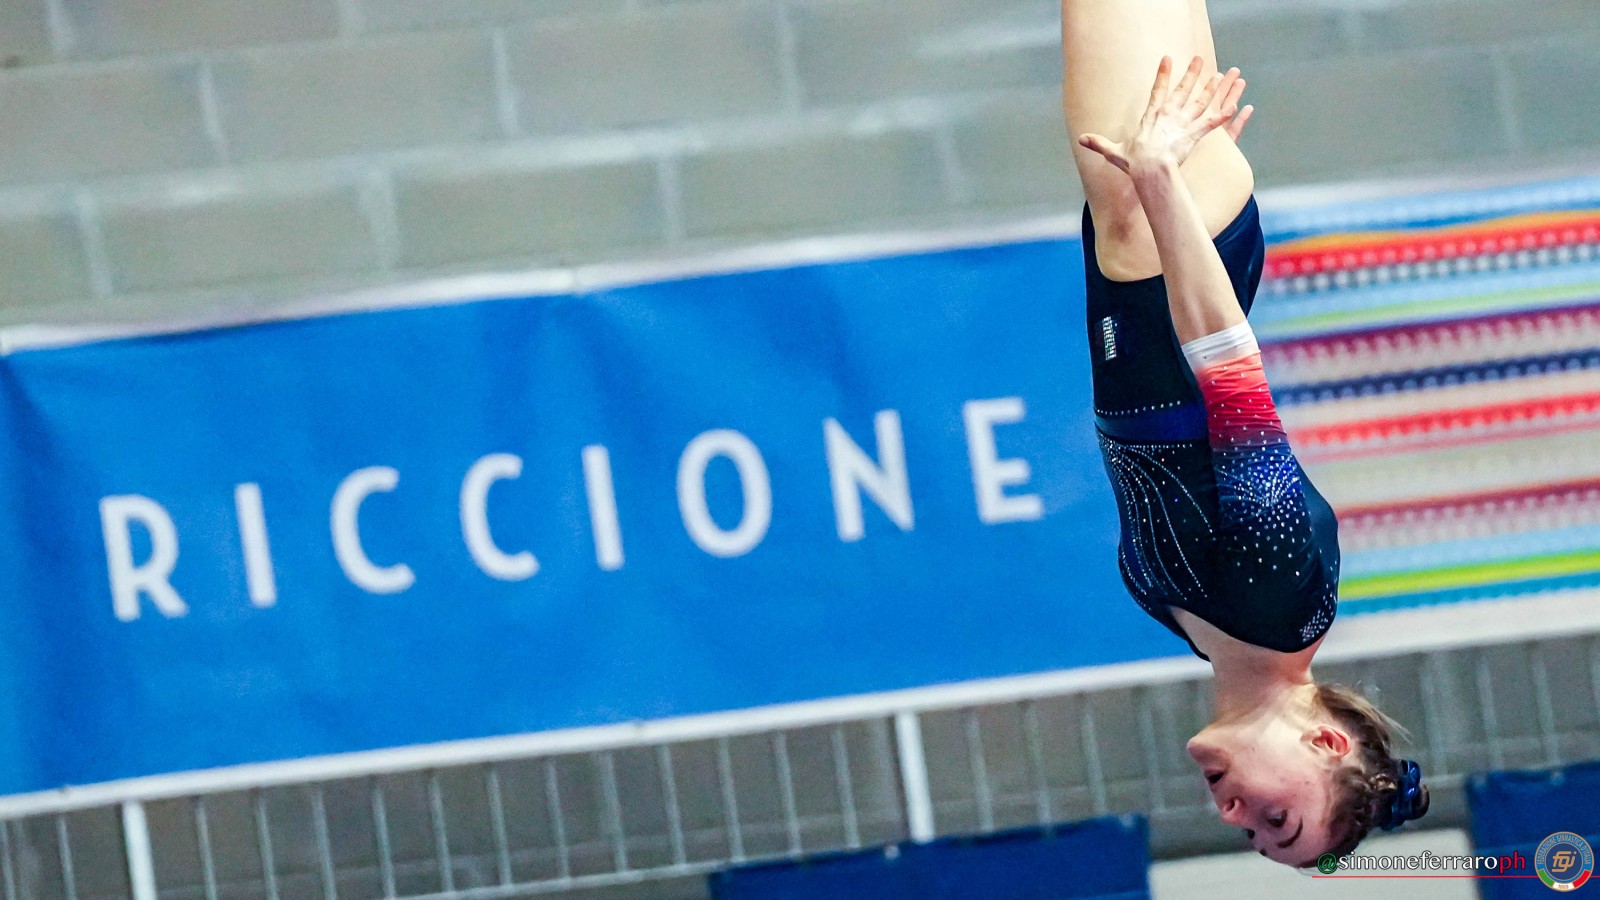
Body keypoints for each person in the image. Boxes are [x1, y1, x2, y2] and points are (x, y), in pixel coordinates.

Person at [1060, 1, 1429, 866]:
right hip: (1165, 234)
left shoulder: (1209, 636)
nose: (1235, 816)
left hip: (1147, 247)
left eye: (1255, 838)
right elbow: (1233, 380)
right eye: (1278, 820)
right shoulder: (1280, 602)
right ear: (1324, 744)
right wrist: (1161, 184)